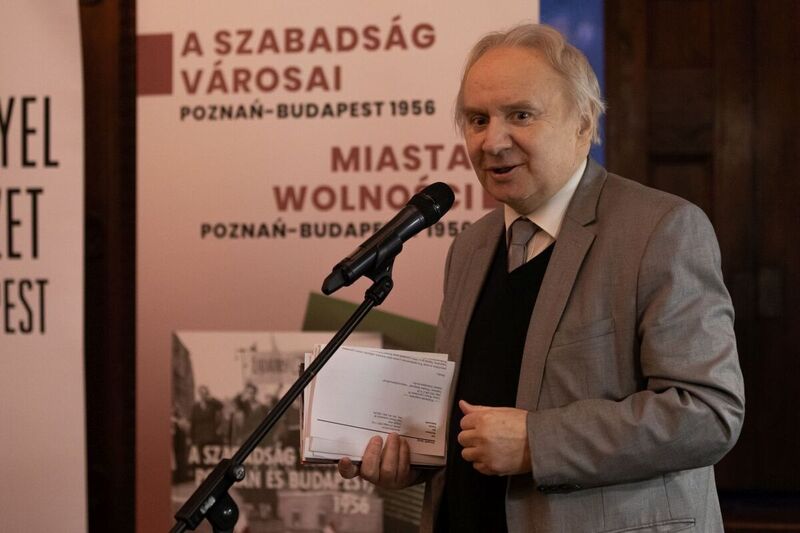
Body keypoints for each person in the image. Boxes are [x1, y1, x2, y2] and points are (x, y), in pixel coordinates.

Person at [338, 23, 744, 532]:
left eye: (521, 115)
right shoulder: (470, 247)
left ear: (584, 122)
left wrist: (538, 442)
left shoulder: (662, 230)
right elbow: (476, 413)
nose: (493, 140)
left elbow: (708, 413)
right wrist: (410, 460)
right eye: (477, 119)